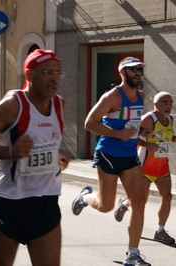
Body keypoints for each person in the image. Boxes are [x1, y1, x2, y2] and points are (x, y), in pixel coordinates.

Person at [0, 49, 70, 266]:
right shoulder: (12, 105)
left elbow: (43, 144)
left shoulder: (59, 104)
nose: (54, 78)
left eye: (58, 73)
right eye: (47, 72)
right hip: (12, 201)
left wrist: (55, 158)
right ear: (30, 75)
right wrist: (11, 152)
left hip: (47, 201)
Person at [71, 57, 150, 266]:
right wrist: (117, 133)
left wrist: (140, 134)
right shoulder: (113, 96)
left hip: (129, 155)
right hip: (108, 154)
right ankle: (85, 197)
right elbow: (89, 123)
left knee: (140, 202)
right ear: (123, 73)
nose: (138, 73)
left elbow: (131, 124)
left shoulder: (141, 97)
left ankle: (132, 254)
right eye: (134, 70)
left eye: (140, 70)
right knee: (105, 206)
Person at [114, 91, 175, 245]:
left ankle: (160, 231)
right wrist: (148, 144)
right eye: (165, 103)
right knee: (140, 202)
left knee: (167, 197)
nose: (169, 106)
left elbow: (168, 136)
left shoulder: (170, 119)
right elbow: (130, 137)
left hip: (162, 167)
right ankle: (124, 203)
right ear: (156, 105)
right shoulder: (148, 119)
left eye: (170, 103)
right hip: (144, 167)